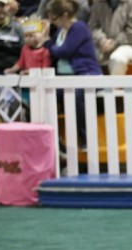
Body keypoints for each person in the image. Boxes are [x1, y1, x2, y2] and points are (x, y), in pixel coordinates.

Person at [44, 0, 102, 149]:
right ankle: (54, 140)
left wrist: (47, 43)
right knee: (47, 96)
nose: (51, 22)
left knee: (75, 96)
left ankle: (85, 139)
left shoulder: (79, 28)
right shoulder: (60, 31)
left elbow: (63, 51)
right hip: (66, 78)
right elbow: (55, 52)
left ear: (65, 15)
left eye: (54, 19)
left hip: (87, 74)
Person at [88, 0, 132, 75]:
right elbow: (93, 27)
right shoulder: (98, 3)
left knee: (117, 58)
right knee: (85, 55)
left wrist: (115, 42)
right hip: (103, 45)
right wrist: (101, 40)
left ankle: (115, 86)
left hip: (131, 45)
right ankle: (92, 86)